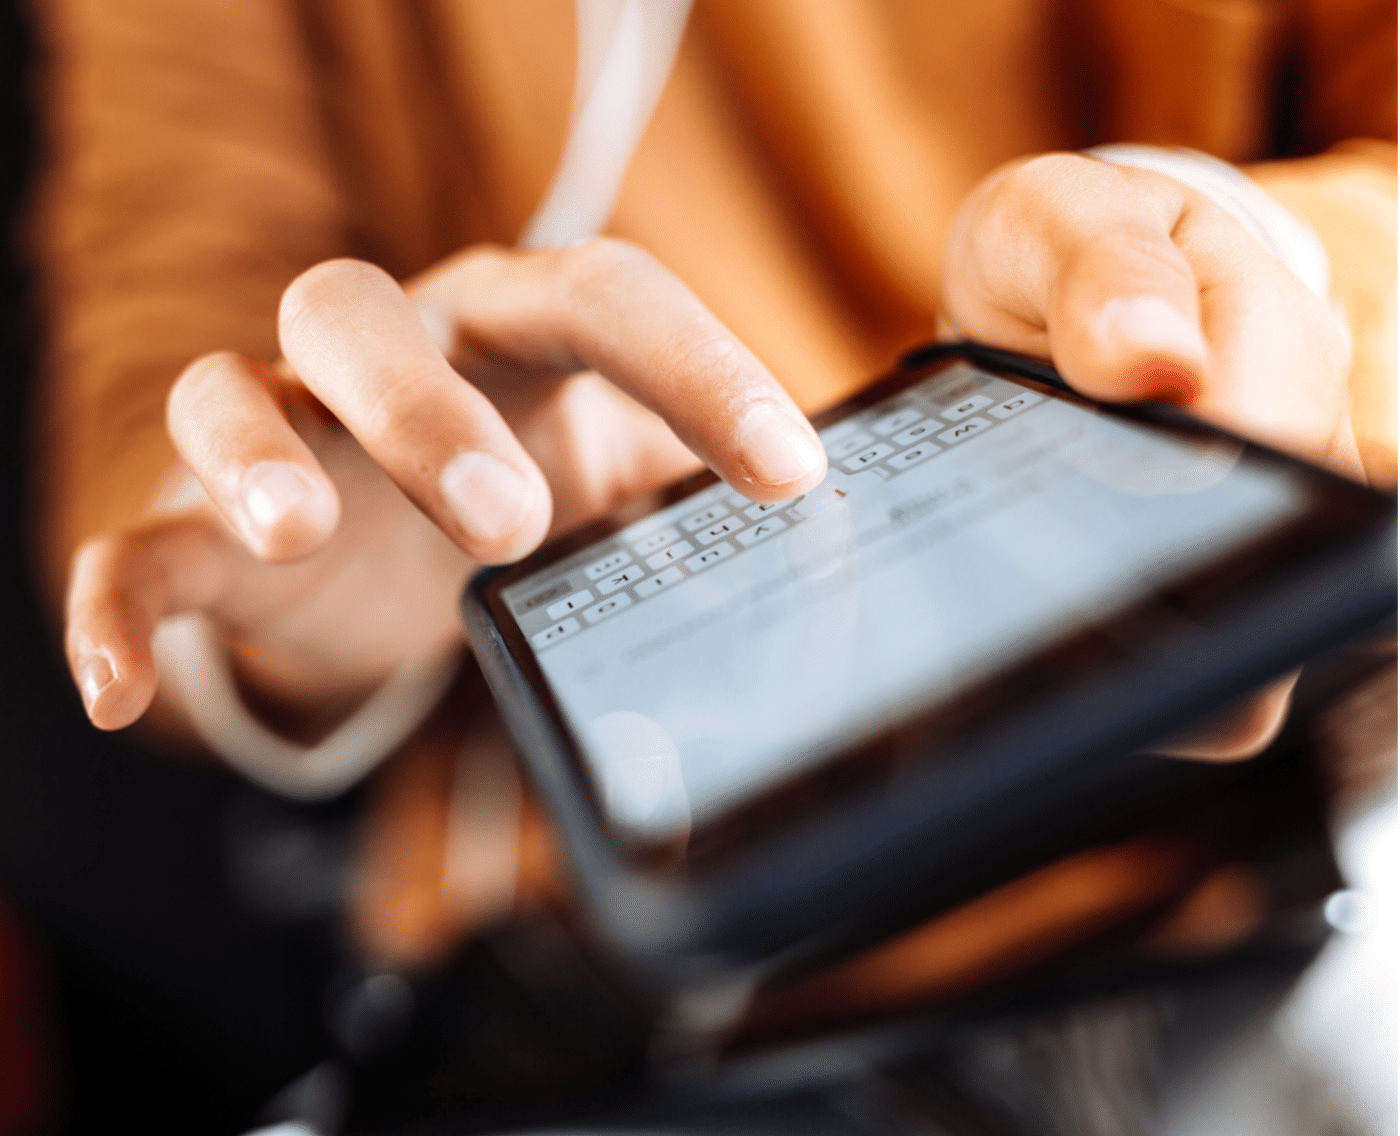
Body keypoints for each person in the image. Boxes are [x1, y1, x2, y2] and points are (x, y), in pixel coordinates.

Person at [32, 0, 1395, 987]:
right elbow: (147, 396)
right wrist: (292, 546)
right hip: (562, 967)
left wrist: (1235, 257)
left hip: (1208, 886)